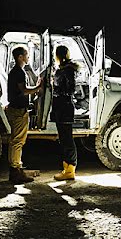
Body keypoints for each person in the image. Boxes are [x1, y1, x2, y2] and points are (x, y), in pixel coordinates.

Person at [5, 46, 42, 184]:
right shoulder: (19, 72)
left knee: (14, 140)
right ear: (20, 57)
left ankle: (15, 169)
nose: (28, 57)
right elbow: (24, 90)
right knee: (18, 141)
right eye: (26, 55)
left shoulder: (14, 71)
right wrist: (38, 88)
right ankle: (16, 171)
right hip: (19, 111)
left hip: (14, 109)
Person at [51, 45, 78, 180]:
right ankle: (67, 168)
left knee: (67, 139)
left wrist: (56, 90)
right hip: (61, 107)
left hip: (65, 107)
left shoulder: (67, 70)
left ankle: (70, 170)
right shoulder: (63, 68)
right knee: (64, 139)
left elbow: (70, 90)